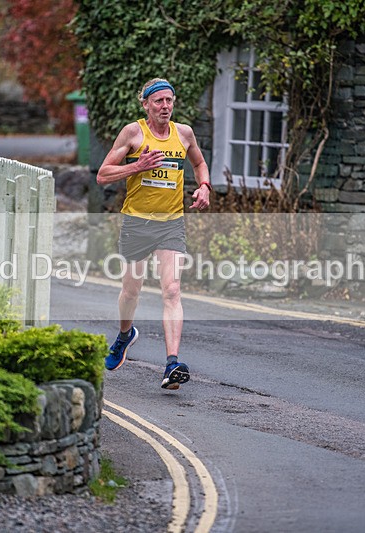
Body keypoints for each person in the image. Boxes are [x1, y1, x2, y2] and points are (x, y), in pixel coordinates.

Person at [97, 78, 212, 390]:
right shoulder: (133, 133)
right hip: (136, 224)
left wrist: (204, 186)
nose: (165, 106)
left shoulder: (184, 133)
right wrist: (137, 167)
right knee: (131, 292)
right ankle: (125, 335)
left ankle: (172, 363)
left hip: (170, 224)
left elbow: (200, 163)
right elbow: (103, 174)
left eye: (169, 101)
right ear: (145, 104)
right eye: (159, 101)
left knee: (172, 290)